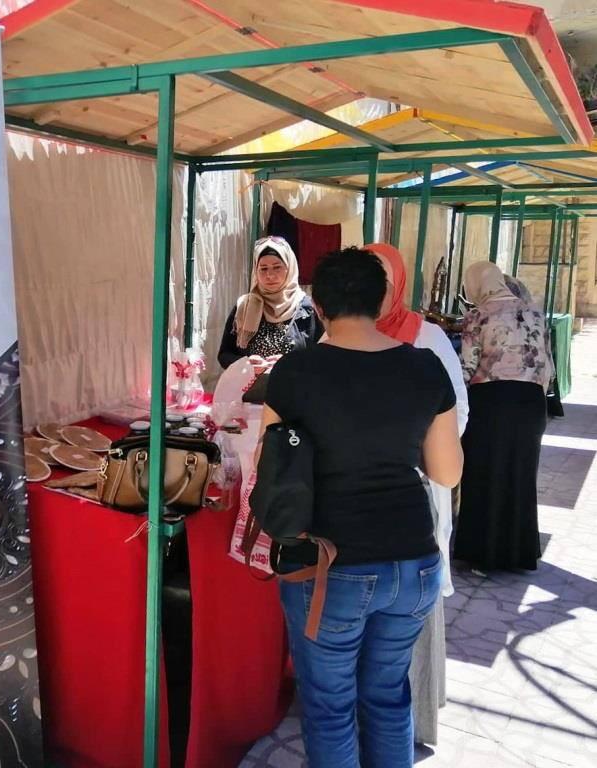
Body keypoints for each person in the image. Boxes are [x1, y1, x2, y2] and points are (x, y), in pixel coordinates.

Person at [258, 247, 463, 768]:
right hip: (413, 561)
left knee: (330, 706)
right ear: (382, 302)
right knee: (388, 694)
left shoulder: (295, 371)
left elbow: (271, 463)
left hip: (331, 566)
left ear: (318, 306)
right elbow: (447, 473)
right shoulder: (424, 367)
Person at [365, 243, 469, 747]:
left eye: (383, 282)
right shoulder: (342, 333)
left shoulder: (427, 338)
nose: (374, 292)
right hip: (357, 493)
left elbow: (458, 410)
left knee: (410, 607)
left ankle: (413, 718)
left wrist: (409, 453)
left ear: (399, 285)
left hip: (416, 487)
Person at [455, 260, 551, 573]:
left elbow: (467, 368)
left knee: (485, 475)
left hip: (492, 403)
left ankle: (484, 556)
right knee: (520, 476)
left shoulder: (478, 315)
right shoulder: (535, 312)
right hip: (531, 403)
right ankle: (519, 554)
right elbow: (546, 367)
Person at [217, 235, 321, 375]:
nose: (270, 275)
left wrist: (290, 363)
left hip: (295, 388)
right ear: (256, 271)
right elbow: (224, 354)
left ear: (290, 268)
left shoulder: (309, 309)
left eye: (277, 267)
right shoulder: (244, 306)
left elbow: (323, 357)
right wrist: (245, 363)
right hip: (251, 387)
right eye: (263, 268)